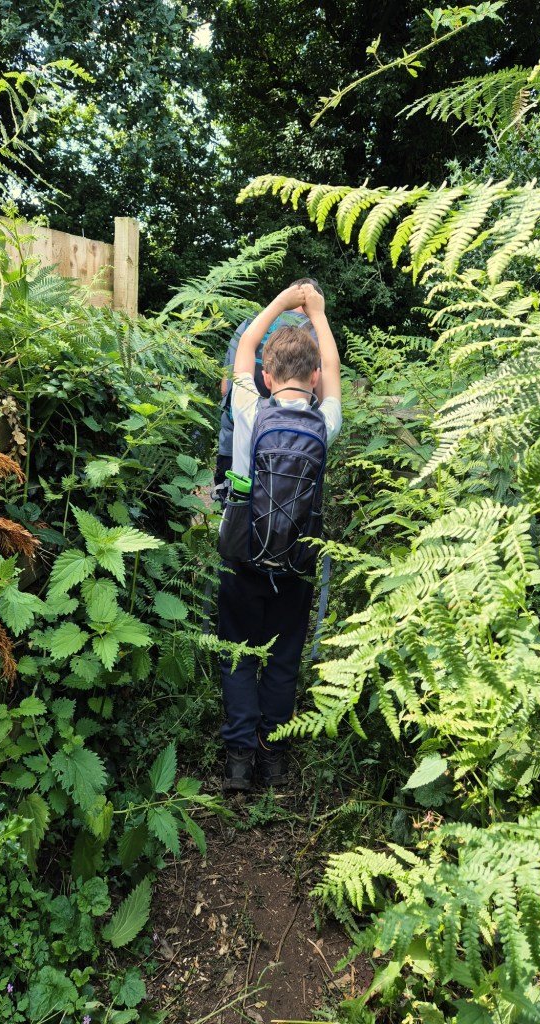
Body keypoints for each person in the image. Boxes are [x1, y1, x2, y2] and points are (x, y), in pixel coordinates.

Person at [217, 282, 342, 791]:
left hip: (243, 550)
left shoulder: (250, 407)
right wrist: (317, 310)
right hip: (299, 556)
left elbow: (245, 347)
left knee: (238, 650)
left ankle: (240, 762)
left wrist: (283, 304)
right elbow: (332, 368)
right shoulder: (324, 420)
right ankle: (274, 757)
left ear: (267, 377)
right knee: (284, 657)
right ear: (313, 378)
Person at [214, 279, 322, 491]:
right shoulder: (314, 334)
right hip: (299, 450)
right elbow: (325, 395)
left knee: (232, 504)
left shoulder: (248, 326)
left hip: (236, 442)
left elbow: (226, 388)